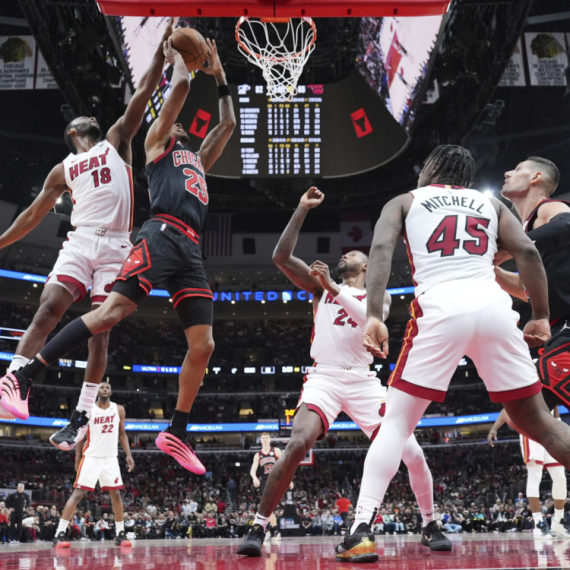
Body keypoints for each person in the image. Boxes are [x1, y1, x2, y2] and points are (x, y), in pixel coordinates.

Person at [0, 36, 235, 475]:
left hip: (181, 248)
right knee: (86, 312)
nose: (182, 127)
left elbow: (226, 127)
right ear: (73, 134)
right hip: (148, 233)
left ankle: (174, 431)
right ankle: (22, 376)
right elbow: (170, 91)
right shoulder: (152, 143)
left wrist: (219, 76)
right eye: (176, 123)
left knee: (201, 344)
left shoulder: (194, 160)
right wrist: (175, 58)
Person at [337, 144, 570, 562]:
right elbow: (528, 252)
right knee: (539, 422)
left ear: (432, 168)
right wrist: (539, 316)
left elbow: (382, 251)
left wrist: (373, 315)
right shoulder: (491, 203)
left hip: (441, 308)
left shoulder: (405, 201)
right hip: (494, 308)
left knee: (397, 423)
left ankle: (360, 531)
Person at [238, 187, 447, 559]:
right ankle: (258, 525)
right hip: (325, 377)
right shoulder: (320, 288)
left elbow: (369, 317)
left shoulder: (377, 295)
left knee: (413, 454)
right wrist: (301, 209)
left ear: (366, 266)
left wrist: (332, 287)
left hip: (364, 381)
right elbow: (280, 256)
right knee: (298, 443)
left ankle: (430, 524)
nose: (343, 255)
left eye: (352, 253)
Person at [0, 21, 176, 444]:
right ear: (73, 133)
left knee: (101, 334)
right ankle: (13, 383)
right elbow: (32, 216)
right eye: (85, 119)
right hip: (80, 240)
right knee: (48, 308)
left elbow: (143, 92)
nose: (94, 116)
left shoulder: (116, 140)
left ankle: (80, 416)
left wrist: (159, 53)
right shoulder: (62, 169)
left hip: (117, 244)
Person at [52, 382, 135, 548]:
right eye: (102, 387)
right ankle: (59, 534)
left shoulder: (119, 409)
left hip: (110, 458)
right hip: (91, 457)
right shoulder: (88, 409)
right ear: (97, 391)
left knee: (116, 495)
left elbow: (122, 434)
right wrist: (77, 458)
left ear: (111, 392)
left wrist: (128, 454)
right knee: (78, 494)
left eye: (107, 387)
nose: (104, 389)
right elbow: (80, 435)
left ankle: (120, 534)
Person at [488, 407, 568, 538]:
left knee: (561, 478)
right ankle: (538, 523)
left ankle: (558, 521)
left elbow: (554, 407)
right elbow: (507, 407)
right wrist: (495, 427)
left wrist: (559, 426)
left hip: (551, 431)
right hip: (531, 429)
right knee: (535, 475)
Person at [249, 432, 291, 538]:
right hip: (265, 481)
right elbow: (253, 469)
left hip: (276, 479)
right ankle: (273, 530)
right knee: (268, 508)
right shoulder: (258, 455)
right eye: (263, 438)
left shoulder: (276, 451)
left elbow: (285, 465)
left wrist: (289, 479)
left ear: (270, 440)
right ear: (261, 440)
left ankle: (270, 530)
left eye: (266, 438)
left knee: (270, 507)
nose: (265, 439)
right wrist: (254, 478)